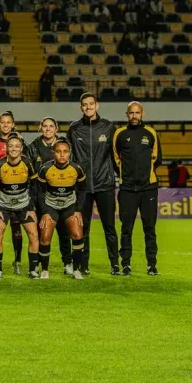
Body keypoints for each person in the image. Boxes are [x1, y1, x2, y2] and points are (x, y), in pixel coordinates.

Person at [67, 93, 119, 276]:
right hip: (83, 188)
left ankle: (115, 264)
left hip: (105, 184)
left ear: (97, 105)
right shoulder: (74, 128)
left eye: (91, 104)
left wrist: (120, 176)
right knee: (83, 228)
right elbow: (71, 158)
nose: (88, 107)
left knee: (109, 227)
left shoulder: (109, 127)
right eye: (84, 105)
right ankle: (83, 265)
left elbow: (116, 155)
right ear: (81, 108)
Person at [112, 102, 163, 277]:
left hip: (148, 188)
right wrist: (127, 175)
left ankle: (152, 265)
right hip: (126, 189)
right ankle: (126, 264)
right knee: (126, 228)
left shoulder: (151, 133)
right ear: (127, 114)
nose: (134, 116)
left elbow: (158, 159)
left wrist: (143, 174)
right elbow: (115, 159)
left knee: (149, 228)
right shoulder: (119, 134)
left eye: (137, 113)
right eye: (131, 113)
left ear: (142, 114)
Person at [37, 139, 87, 280]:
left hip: (69, 207)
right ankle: (45, 270)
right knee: (45, 237)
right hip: (51, 207)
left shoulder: (77, 169)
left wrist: (78, 210)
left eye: (65, 151)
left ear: (69, 153)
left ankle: (76, 269)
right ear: (54, 153)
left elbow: (83, 190)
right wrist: (45, 212)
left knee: (77, 235)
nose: (62, 155)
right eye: (58, 151)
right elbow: (40, 192)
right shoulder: (45, 169)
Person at [26, 117, 72, 272]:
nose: (48, 129)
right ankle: (40, 264)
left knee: (64, 233)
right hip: (41, 196)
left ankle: (67, 263)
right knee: (42, 231)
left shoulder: (64, 145)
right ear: (40, 128)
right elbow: (30, 173)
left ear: (56, 128)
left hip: (64, 197)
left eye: (51, 126)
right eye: (45, 126)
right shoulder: (33, 147)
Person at [0, 135, 41, 278]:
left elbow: (35, 186)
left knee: (33, 234)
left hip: (24, 205)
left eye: (17, 146)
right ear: (6, 148)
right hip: (3, 205)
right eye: (11, 146)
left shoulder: (27, 163)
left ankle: (32, 270)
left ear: (21, 149)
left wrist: (31, 207)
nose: (13, 149)